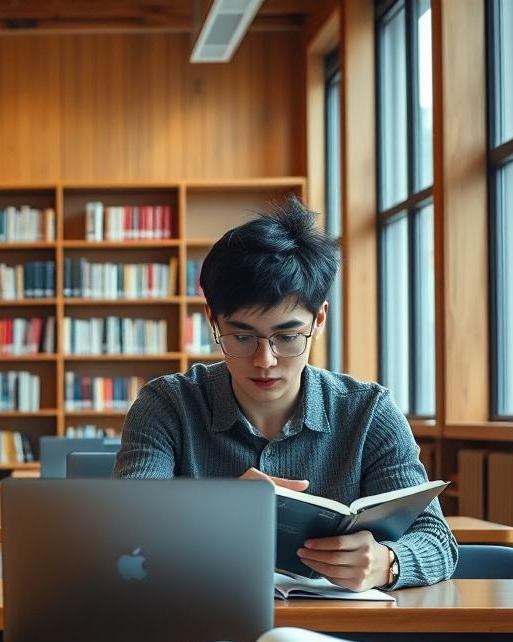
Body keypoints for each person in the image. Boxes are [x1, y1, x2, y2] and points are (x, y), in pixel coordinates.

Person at [114, 197, 457, 591]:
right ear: (213, 320)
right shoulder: (167, 406)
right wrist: (216, 511)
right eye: (242, 336)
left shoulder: (368, 412)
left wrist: (387, 563)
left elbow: (437, 540)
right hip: (203, 626)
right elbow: (126, 530)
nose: (265, 360)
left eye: (288, 336)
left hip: (341, 636)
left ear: (320, 319)